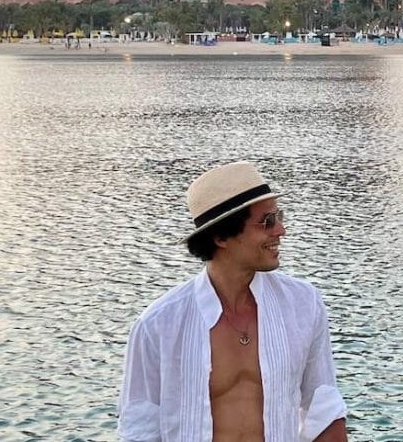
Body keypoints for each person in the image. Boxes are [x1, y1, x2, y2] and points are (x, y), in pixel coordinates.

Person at [118, 161, 348, 441]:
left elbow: (322, 411)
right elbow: (139, 430)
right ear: (221, 237)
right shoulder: (158, 325)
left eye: (279, 216)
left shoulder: (303, 304)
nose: (280, 230)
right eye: (267, 221)